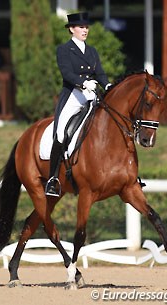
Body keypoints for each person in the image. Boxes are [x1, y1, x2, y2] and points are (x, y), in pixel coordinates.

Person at [45, 12, 112, 197]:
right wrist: (83, 83)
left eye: (86, 27)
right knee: (60, 133)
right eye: (81, 27)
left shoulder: (92, 51)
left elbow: (100, 73)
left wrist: (107, 85)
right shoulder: (64, 50)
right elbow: (66, 73)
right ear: (72, 29)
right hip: (74, 95)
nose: (85, 30)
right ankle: (52, 179)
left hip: (91, 94)